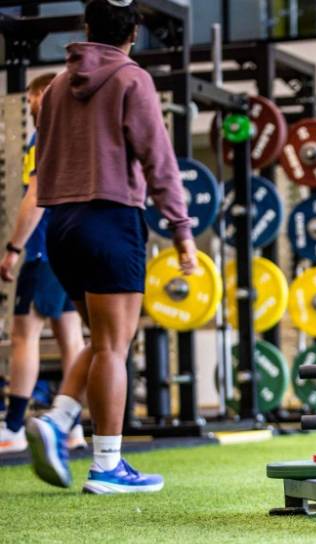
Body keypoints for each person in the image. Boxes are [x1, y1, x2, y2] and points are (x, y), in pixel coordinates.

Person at [26, 0, 196, 494]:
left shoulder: (56, 87)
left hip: (61, 225)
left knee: (101, 340)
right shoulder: (131, 79)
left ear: (86, 28)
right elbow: (158, 159)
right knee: (115, 346)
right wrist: (182, 230)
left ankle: (58, 418)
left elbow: (43, 168)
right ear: (134, 33)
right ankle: (107, 466)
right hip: (110, 217)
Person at [0, 73, 87, 456]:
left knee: (24, 334)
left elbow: (35, 197)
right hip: (71, 249)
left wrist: (14, 247)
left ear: (43, 96)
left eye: (36, 96)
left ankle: (14, 426)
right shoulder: (74, 137)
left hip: (43, 251)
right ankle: (71, 428)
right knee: (71, 338)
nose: (33, 103)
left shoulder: (44, 137)